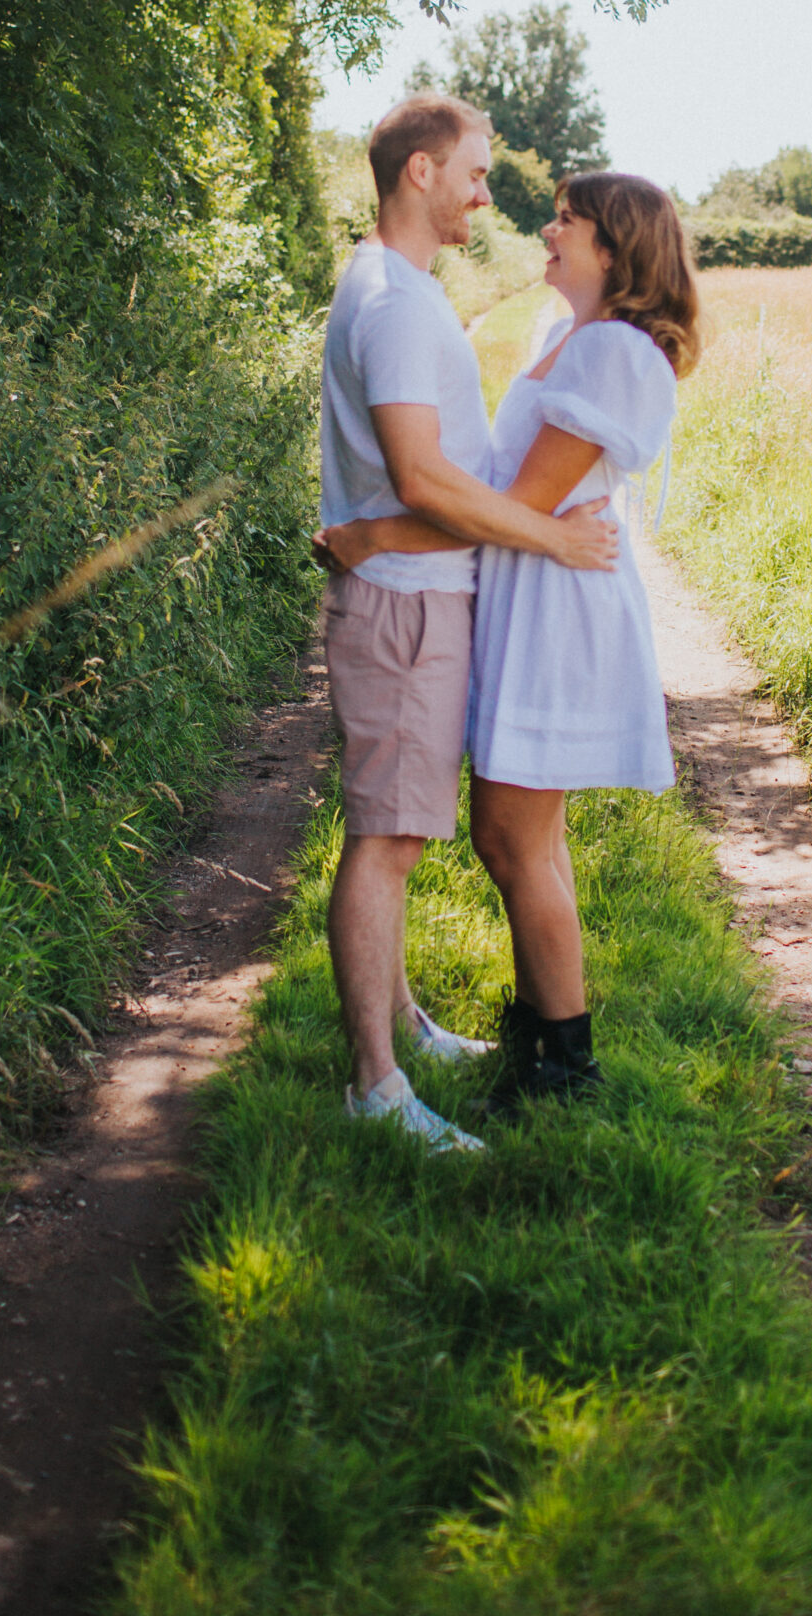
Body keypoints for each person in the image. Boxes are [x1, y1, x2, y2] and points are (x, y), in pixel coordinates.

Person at [323, 170, 701, 1109]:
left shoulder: (616, 352)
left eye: (565, 221)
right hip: (523, 594)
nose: (547, 229)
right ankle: (540, 1034)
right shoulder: (559, 333)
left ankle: (561, 1066)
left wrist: (375, 537)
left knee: (512, 836)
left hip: (558, 608)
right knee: (520, 834)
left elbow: (520, 506)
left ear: (612, 248)